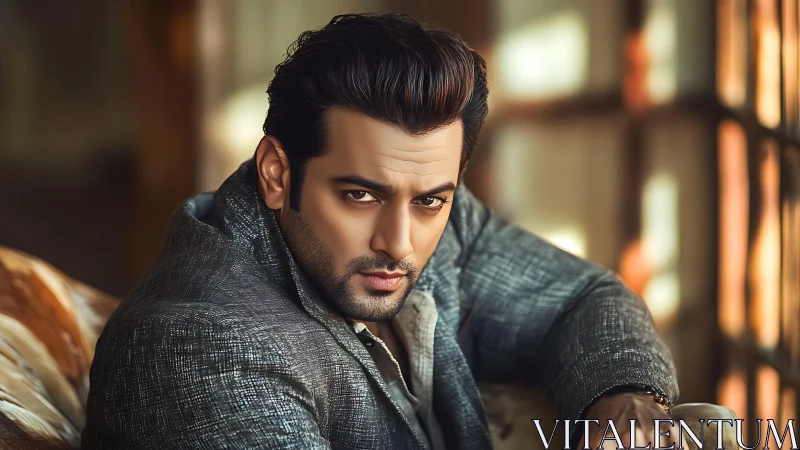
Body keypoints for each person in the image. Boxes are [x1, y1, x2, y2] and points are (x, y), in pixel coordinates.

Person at [82, 12, 679, 449]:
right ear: (276, 173)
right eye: (360, 195)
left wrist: (625, 399)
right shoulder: (204, 350)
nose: (398, 242)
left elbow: (579, 300)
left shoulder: (437, 215)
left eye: (430, 201)